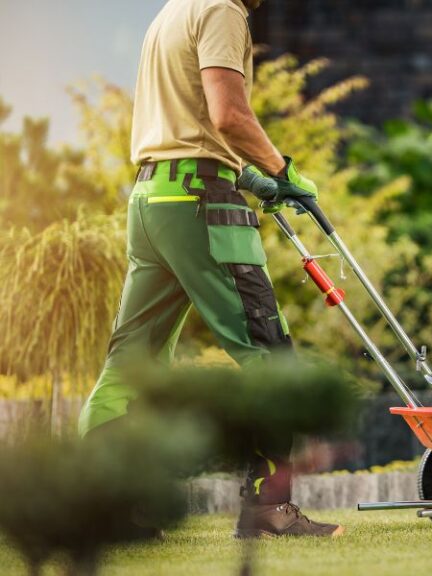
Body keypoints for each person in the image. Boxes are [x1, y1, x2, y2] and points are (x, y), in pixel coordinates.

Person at [78, 0, 342, 538]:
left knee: (131, 364)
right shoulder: (223, 9)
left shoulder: (171, 12)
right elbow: (228, 115)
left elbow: (190, 122)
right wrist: (281, 169)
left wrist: (247, 174)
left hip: (151, 200)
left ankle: (100, 505)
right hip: (201, 204)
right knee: (269, 352)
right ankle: (269, 509)